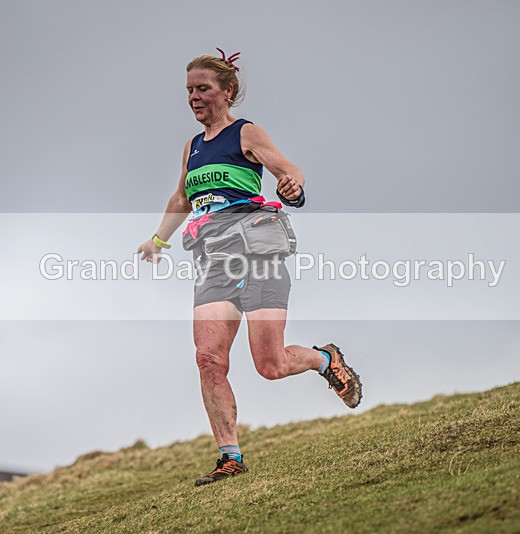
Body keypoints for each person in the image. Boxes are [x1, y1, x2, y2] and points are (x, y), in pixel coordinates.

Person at [137, 49, 362, 486]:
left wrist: (292, 184)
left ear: (227, 91)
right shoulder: (193, 147)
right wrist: (158, 239)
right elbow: (182, 198)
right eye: (189, 90)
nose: (194, 98)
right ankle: (229, 457)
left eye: (202, 88)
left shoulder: (246, 133)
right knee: (208, 358)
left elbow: (287, 168)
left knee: (270, 364)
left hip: (257, 253)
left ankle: (324, 359)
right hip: (213, 261)